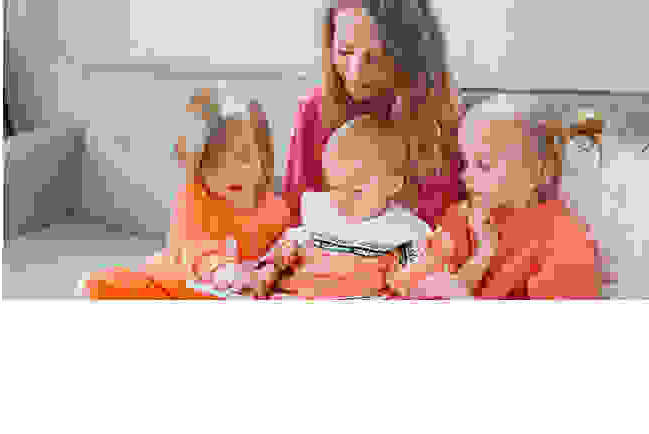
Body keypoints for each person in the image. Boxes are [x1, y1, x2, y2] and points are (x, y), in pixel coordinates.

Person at [78, 91, 294, 299]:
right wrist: (221, 271)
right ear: (197, 165)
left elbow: (286, 246)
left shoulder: (275, 209)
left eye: (244, 157)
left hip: (237, 292)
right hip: (179, 281)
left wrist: (277, 262)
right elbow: (195, 245)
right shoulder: (193, 200)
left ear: (264, 157)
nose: (232, 172)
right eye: (215, 163)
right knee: (108, 285)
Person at [389, 95, 602, 299]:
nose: (466, 176)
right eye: (466, 163)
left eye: (483, 165)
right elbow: (404, 283)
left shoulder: (564, 240)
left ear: (538, 171)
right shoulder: (462, 219)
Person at [284, 0, 465, 229]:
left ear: (411, 53)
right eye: (344, 52)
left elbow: (453, 220)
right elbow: (297, 215)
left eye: (376, 55)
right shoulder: (314, 111)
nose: (356, 72)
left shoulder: (440, 114)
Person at [258, 115, 431, 299]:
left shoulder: (403, 230)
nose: (344, 199)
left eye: (356, 191)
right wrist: (271, 268)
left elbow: (421, 270)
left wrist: (407, 278)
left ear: (393, 184)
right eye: (336, 188)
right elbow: (292, 240)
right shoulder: (324, 215)